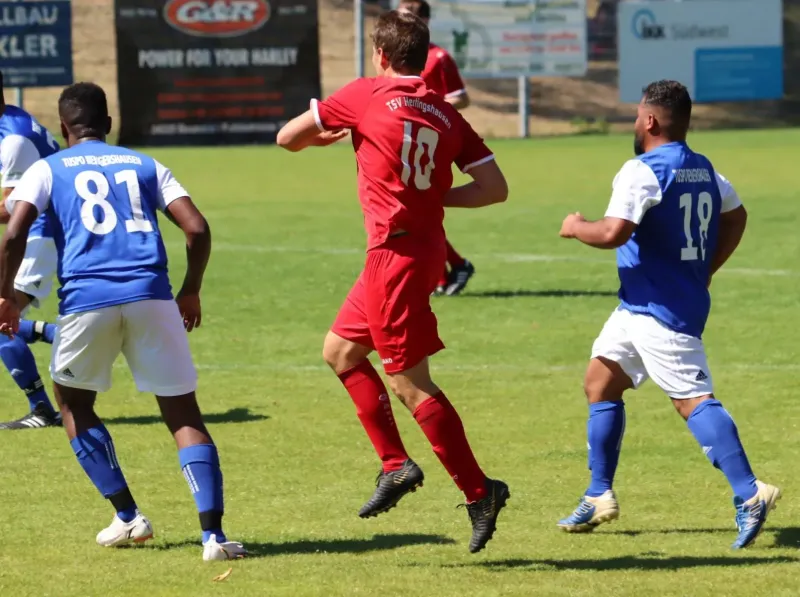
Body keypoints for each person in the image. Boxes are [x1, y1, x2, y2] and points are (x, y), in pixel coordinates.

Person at [276, 11, 510, 553]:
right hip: (420, 251)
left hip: (394, 257)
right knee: (340, 352)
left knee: (409, 383)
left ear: (380, 55)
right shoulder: (447, 117)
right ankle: (396, 464)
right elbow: (494, 189)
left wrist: (325, 138)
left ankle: (480, 491)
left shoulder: (365, 93)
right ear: (426, 58)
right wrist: (430, 195)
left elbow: (287, 137)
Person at [0, 82, 246, 561]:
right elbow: (196, 227)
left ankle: (129, 516)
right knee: (183, 413)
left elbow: (14, 232)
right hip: (152, 297)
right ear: (109, 124)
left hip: (86, 300)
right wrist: (190, 289)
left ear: (64, 128)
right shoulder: (145, 164)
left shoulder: (46, 169)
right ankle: (213, 536)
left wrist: (6, 296)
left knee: (73, 404)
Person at [557, 80, 780, 549]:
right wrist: (706, 268)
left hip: (661, 308)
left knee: (692, 399)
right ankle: (599, 494)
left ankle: (750, 492)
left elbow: (614, 232)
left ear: (651, 121)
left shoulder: (643, 169)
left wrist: (576, 226)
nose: (635, 123)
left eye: (638, 116)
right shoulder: (703, 168)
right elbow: (736, 215)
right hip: (641, 302)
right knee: (600, 381)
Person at [398, 0, 476, 297]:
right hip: (402, 143)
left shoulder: (437, 57)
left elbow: (462, 98)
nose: (403, 25)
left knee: (418, 210)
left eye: (409, 19)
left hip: (429, 145)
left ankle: (450, 270)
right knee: (415, 211)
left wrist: (429, 106)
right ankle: (447, 273)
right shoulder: (397, 59)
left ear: (425, 22)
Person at [0, 70, 61, 430]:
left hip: (40, 235)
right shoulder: (12, 122)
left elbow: (14, 208)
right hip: (32, 232)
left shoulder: (14, 141)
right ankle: (53, 333)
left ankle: (41, 409)